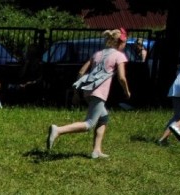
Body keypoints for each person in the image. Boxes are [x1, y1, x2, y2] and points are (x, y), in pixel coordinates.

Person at [47, 29, 131, 159]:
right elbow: (121, 77)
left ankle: (96, 150)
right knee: (89, 124)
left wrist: (76, 92)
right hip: (99, 92)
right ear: (121, 42)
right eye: (125, 42)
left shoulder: (98, 54)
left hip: (88, 90)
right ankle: (58, 130)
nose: (125, 45)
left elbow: (81, 72)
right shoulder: (119, 56)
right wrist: (127, 91)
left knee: (103, 118)